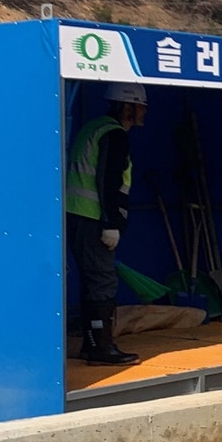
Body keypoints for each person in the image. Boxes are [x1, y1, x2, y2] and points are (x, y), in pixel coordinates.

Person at [65, 82, 147, 365]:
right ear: (127, 106)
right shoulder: (114, 135)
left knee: (91, 280)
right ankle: (101, 347)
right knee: (102, 280)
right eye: (139, 105)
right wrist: (111, 222)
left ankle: (92, 344)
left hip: (77, 216)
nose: (143, 111)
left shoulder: (94, 127)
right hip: (94, 218)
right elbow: (108, 181)